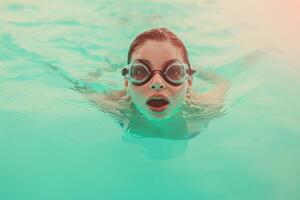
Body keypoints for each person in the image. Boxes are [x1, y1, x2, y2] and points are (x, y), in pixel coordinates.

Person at [49, 27, 230, 140]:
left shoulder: (207, 108)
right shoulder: (115, 106)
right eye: (140, 72)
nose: (157, 83)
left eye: (174, 72)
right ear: (126, 83)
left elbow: (223, 82)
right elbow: (81, 85)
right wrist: (107, 67)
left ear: (189, 81)